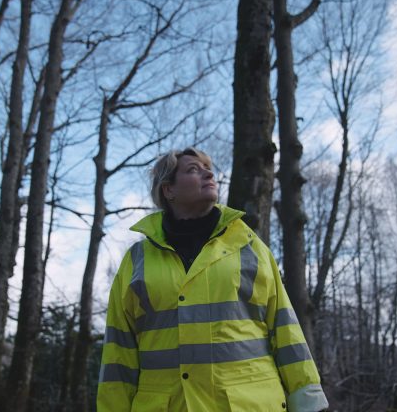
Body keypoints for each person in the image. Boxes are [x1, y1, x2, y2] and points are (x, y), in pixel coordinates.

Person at [97, 147, 328, 411]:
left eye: (208, 168)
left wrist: (309, 402)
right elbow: (118, 354)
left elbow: (286, 331)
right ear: (168, 190)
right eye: (193, 169)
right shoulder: (136, 260)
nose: (208, 173)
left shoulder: (250, 247)